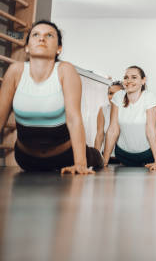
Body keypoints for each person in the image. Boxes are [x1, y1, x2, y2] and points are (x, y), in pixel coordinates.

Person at [0, 20, 102, 173]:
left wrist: (80, 163)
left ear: (59, 48)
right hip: (27, 159)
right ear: (27, 47)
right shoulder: (16, 71)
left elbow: (74, 118)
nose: (41, 38)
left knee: (95, 157)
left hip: (65, 156)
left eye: (49, 35)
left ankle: (96, 155)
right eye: (35, 35)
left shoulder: (65, 70)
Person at [102, 66, 156, 167]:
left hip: (149, 154)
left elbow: (151, 130)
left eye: (134, 77)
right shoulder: (118, 96)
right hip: (124, 155)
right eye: (126, 77)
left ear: (143, 80)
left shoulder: (149, 97)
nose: (129, 81)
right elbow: (112, 129)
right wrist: (105, 161)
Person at [94, 81, 123, 151]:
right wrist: (95, 157)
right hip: (107, 158)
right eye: (110, 93)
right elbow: (99, 135)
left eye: (117, 94)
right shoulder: (103, 110)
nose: (113, 97)